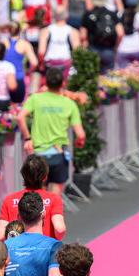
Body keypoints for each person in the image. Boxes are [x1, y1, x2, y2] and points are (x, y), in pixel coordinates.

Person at [18, 67, 85, 196]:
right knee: (55, 195)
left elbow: (20, 117)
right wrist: (79, 142)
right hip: (58, 154)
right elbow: (80, 134)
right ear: (63, 83)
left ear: (46, 82)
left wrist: (28, 138)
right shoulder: (69, 104)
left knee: (39, 195)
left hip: (39, 154)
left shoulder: (35, 99)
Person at [0, 153, 66, 242]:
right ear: (45, 177)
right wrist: (54, 241)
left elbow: (0, 236)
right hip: (45, 248)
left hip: (17, 249)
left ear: (23, 176)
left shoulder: (9, 200)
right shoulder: (54, 199)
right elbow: (60, 229)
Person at [81, 0, 123, 72]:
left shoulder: (88, 14)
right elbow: (120, 33)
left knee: (92, 75)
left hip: (93, 49)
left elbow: (83, 36)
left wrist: (85, 49)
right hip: (108, 50)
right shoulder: (112, 14)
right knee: (108, 76)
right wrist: (116, 47)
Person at [37, 5, 80, 83]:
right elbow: (77, 52)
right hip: (66, 64)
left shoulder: (45, 31)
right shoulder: (73, 32)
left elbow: (41, 52)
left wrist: (41, 64)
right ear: (67, 15)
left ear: (53, 15)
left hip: (50, 64)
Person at [117, 0, 139, 67]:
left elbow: (118, 33)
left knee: (123, 71)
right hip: (138, 47)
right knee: (138, 71)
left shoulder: (119, 15)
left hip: (123, 48)